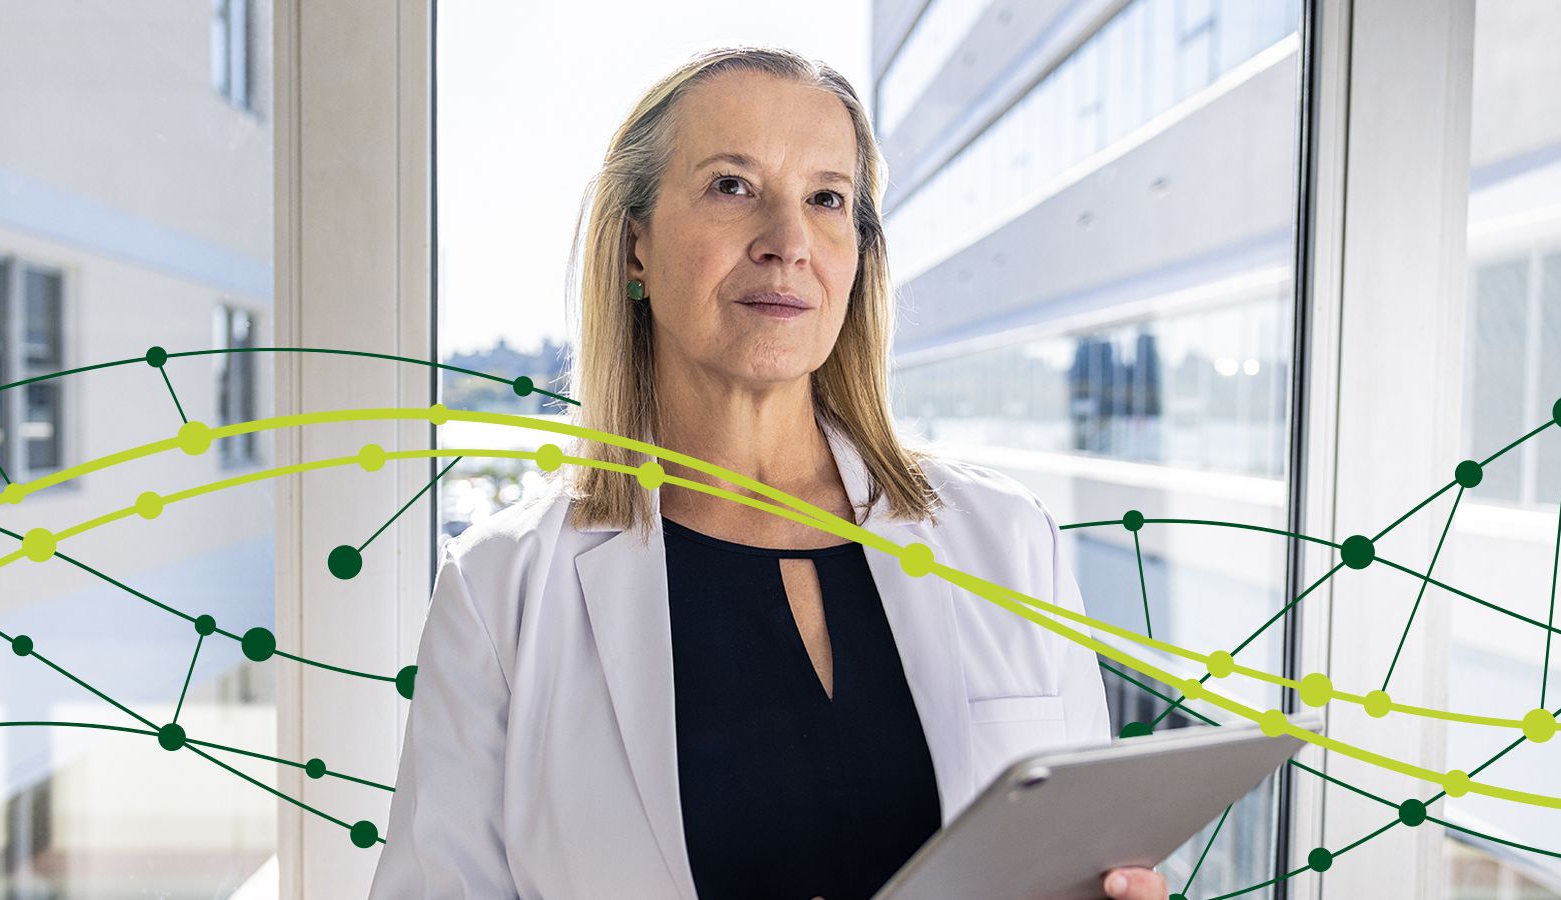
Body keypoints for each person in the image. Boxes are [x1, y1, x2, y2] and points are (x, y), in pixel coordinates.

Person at [369, 46, 1166, 900]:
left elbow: (1080, 858)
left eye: (827, 199)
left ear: (857, 257)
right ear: (635, 246)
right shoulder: (500, 590)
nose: (787, 243)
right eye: (731, 186)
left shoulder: (1009, 538)